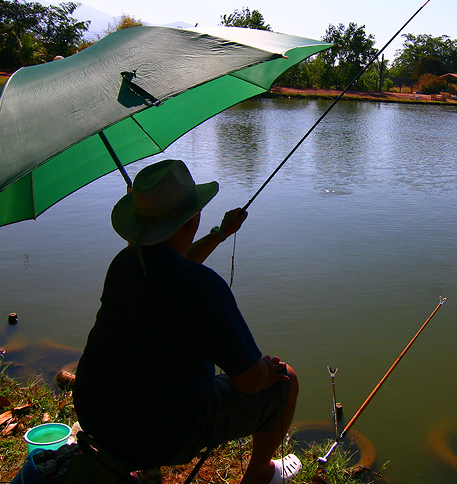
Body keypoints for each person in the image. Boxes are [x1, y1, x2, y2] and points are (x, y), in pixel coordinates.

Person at [73, 159, 300, 484]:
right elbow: (249, 382)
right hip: (163, 437)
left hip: (96, 416)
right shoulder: (202, 287)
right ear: (193, 218)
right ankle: (260, 475)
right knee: (286, 382)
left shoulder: (124, 264)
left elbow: (174, 263)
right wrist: (266, 369)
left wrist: (221, 233)